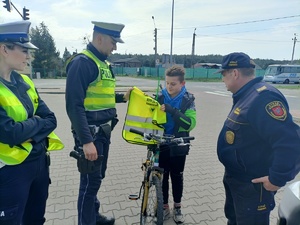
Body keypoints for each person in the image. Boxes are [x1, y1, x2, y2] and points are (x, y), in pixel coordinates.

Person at [216, 52, 300, 225]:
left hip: (252, 186)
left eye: (223, 74)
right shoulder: (247, 94)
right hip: (238, 179)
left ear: (235, 73)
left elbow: (288, 142)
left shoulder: (263, 97)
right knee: (234, 220)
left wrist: (277, 178)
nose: (222, 79)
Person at [65, 21, 131, 225]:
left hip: (103, 133)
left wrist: (122, 98)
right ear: (99, 38)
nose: (115, 47)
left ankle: (93, 215)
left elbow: (101, 95)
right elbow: (74, 105)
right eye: (113, 42)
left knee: (97, 178)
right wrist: (86, 141)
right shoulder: (83, 63)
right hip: (91, 135)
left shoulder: (102, 63)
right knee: (89, 184)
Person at [0, 21, 64, 225]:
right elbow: (8, 133)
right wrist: (37, 123)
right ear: (4, 49)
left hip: (39, 165)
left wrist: (27, 129)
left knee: (36, 219)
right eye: (24, 50)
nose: (29, 56)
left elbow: (51, 119)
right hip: (11, 170)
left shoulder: (25, 81)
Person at [157, 65, 196, 223]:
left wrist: (172, 110)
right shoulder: (159, 96)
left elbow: (190, 124)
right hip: (161, 142)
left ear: (182, 84)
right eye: (167, 83)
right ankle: (164, 207)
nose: (169, 87)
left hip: (179, 143)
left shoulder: (188, 99)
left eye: (173, 84)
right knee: (163, 176)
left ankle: (177, 207)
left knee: (177, 176)